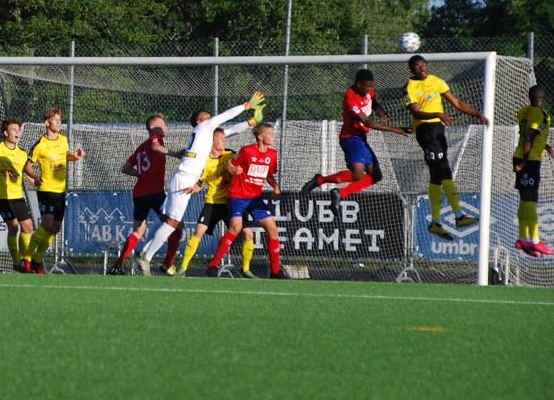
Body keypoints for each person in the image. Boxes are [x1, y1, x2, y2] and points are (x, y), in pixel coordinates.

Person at [137, 90, 266, 276]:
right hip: (185, 178)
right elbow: (225, 116)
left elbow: (230, 131)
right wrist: (246, 106)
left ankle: (142, 253)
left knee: (165, 218)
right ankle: (146, 257)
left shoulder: (206, 134)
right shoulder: (204, 127)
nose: (210, 117)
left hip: (183, 177)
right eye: (206, 116)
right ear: (199, 121)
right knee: (172, 222)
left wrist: (251, 122)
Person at [404, 55, 490, 240]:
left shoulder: (436, 81)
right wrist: (438, 114)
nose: (422, 68)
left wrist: (477, 114)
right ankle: (458, 215)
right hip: (426, 131)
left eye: (423, 64)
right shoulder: (409, 87)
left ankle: (436, 222)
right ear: (411, 69)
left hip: (438, 131)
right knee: (444, 170)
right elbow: (416, 112)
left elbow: (457, 103)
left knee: (437, 175)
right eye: (417, 66)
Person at [301, 68, 409, 209]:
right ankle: (320, 180)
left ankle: (339, 192)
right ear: (359, 84)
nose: (370, 89)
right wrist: (394, 129)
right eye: (367, 86)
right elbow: (367, 121)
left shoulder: (368, 91)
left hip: (361, 138)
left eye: (371, 85)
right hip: (350, 138)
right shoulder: (350, 98)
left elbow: (373, 100)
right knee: (357, 174)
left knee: (376, 175)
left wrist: (378, 108)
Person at [206, 122, 286, 279]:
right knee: (236, 227)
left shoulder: (272, 155)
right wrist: (232, 169)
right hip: (238, 195)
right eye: (269, 134)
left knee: (273, 229)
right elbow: (230, 164)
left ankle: (275, 272)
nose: (273, 136)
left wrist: (276, 187)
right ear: (260, 137)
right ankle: (213, 265)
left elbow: (269, 174)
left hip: (254, 198)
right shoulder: (247, 150)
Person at [175, 126, 257, 278]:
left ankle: (245, 269)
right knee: (198, 231)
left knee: (248, 233)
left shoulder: (230, 155)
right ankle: (183, 267)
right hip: (212, 202)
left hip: (230, 203)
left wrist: (236, 171)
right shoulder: (204, 161)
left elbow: (240, 169)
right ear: (212, 141)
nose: (224, 141)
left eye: (224, 138)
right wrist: (194, 188)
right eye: (221, 139)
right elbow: (200, 183)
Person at [109, 114, 182, 275]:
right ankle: (167, 263)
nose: (165, 127)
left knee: (138, 231)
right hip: (154, 193)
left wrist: (142, 173)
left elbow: (125, 168)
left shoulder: (141, 147)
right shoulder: (155, 140)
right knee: (176, 225)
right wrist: (175, 154)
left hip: (139, 194)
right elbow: (155, 147)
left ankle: (119, 263)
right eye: (161, 124)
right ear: (152, 127)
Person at [22, 107, 85, 274]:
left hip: (60, 190)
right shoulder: (40, 145)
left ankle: (37, 260)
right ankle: (26, 258)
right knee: (47, 223)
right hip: (46, 190)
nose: (59, 122)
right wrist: (35, 177)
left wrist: (74, 156)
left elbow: (65, 156)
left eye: (60, 120)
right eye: (55, 120)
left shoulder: (63, 140)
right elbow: (27, 167)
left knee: (56, 227)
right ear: (47, 122)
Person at [0, 118, 41, 271]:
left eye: (18, 130)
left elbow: (26, 174)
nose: (17, 132)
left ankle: (25, 261)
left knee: (28, 227)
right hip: (2, 197)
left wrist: (36, 181)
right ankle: (17, 262)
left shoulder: (22, 153)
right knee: (13, 226)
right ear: (6, 133)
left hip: (17, 197)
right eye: (13, 129)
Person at [513, 85, 554, 256]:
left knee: (524, 199)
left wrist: (545, 145)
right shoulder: (542, 115)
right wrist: (525, 162)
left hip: (519, 156)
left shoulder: (523, 112)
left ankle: (523, 238)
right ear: (544, 99)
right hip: (529, 160)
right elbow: (530, 136)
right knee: (531, 199)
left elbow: (530, 135)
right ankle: (535, 240)